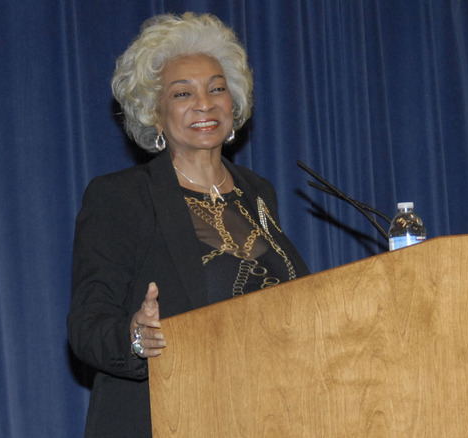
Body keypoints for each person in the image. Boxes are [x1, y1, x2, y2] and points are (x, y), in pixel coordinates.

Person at [67, 12, 309, 437]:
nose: (204, 103)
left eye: (217, 88)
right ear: (154, 115)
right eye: (183, 93)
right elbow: (87, 325)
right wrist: (138, 339)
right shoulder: (122, 196)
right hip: (167, 417)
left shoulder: (257, 192)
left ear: (233, 103)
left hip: (261, 415)